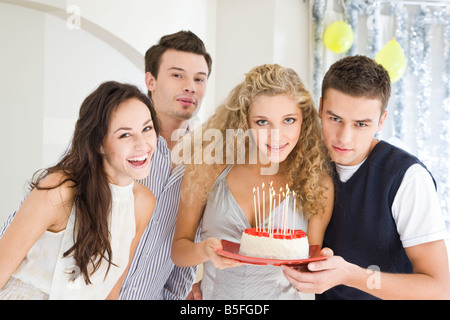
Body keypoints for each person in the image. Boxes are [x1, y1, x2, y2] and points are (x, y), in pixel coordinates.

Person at [281, 55, 450, 299]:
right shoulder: (306, 161)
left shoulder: (408, 178)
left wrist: (350, 275)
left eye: (360, 124)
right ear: (319, 108)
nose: (343, 138)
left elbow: (439, 289)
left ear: (381, 120)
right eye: (335, 118)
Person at [171, 64, 334, 299]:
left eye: (289, 120)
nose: (276, 135)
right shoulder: (208, 168)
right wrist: (204, 251)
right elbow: (179, 251)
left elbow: (306, 268)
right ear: (244, 120)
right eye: (262, 122)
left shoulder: (317, 182)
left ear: (304, 121)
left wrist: (320, 268)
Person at [0, 81, 158, 299]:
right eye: (125, 135)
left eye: (147, 129)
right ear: (98, 144)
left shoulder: (143, 202)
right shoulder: (60, 189)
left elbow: (110, 290)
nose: (143, 144)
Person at [118, 30, 212, 299]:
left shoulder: (204, 162)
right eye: (177, 75)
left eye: (199, 79)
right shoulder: (114, 137)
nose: (190, 86)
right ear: (151, 80)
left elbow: (185, 254)